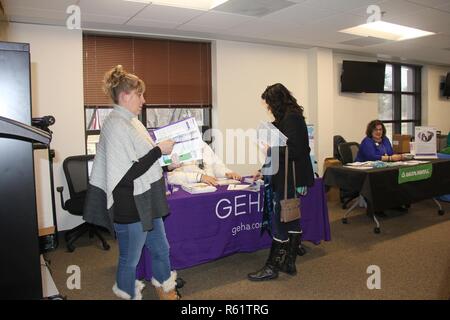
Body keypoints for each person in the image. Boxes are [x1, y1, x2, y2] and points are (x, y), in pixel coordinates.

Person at [83, 65, 180, 300]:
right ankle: (127, 294)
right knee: (130, 258)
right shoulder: (115, 125)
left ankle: (166, 289)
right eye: (140, 95)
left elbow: (140, 160)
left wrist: (166, 165)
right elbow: (126, 173)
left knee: (161, 249)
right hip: (130, 203)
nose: (144, 100)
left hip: (146, 197)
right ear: (125, 96)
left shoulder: (132, 122)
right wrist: (159, 151)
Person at [247, 83, 314, 281]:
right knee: (291, 216)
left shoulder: (291, 118)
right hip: (288, 176)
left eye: (269, 103)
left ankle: (272, 266)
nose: (268, 108)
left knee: (280, 220)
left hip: (290, 178)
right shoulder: (289, 117)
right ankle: (289, 262)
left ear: (276, 101)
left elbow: (296, 150)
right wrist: (263, 170)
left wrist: (269, 150)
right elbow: (284, 149)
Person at [167, 141, 242, 186]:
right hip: (189, 194)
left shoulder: (203, 145)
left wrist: (227, 173)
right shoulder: (170, 148)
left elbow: (214, 166)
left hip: (212, 189)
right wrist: (199, 177)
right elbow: (169, 177)